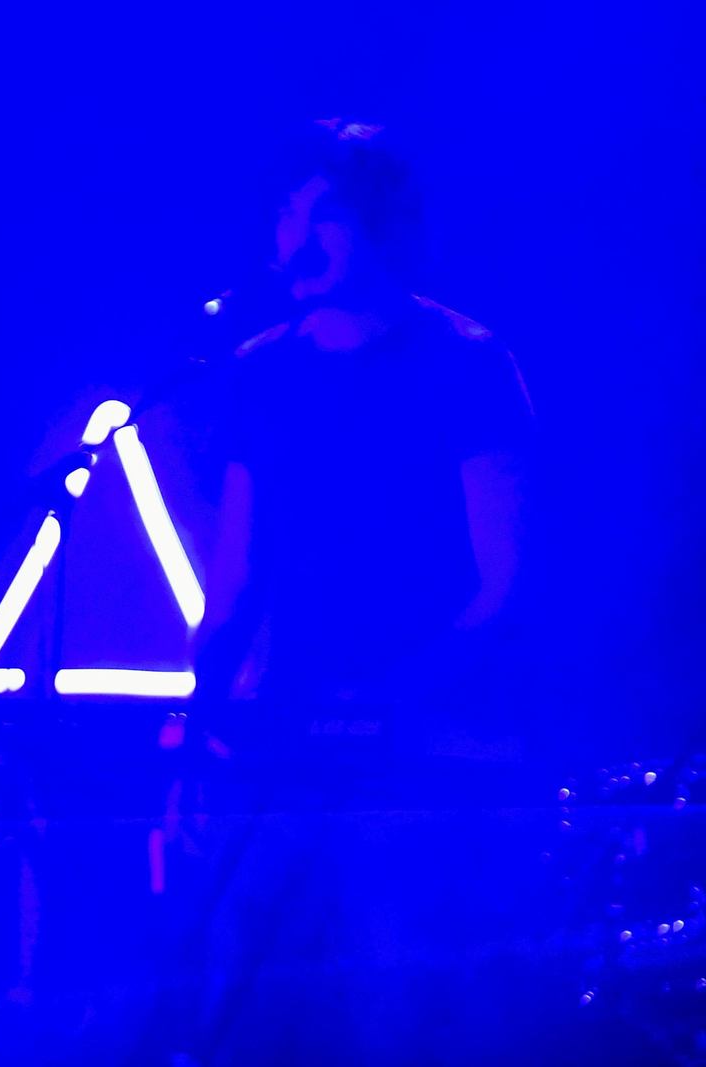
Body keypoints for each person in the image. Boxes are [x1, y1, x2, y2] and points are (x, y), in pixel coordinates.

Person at [197, 119, 536, 751]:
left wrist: (389, 703)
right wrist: (199, 741)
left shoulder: (468, 362)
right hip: (286, 738)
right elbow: (233, 582)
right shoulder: (257, 370)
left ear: (385, 226)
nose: (296, 237)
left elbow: (505, 582)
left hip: (439, 743)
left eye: (323, 214)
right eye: (285, 214)